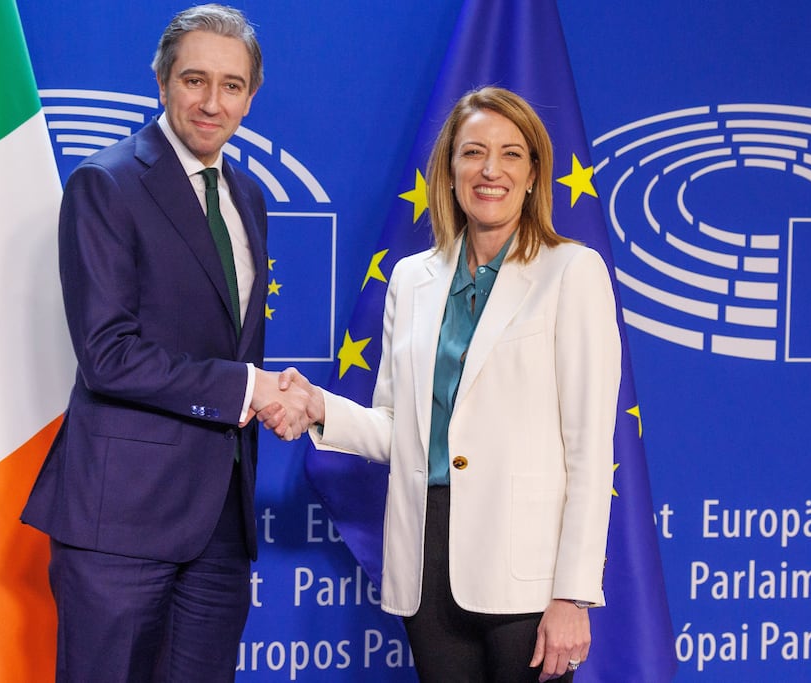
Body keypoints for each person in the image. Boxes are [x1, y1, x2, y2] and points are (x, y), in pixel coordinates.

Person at [266, 86, 621, 682]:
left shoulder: (572, 272)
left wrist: (574, 594)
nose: (490, 170)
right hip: (425, 557)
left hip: (526, 575)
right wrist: (318, 407)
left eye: (511, 154)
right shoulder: (411, 279)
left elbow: (589, 450)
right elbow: (400, 429)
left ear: (534, 173)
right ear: (449, 170)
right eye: (473, 152)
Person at [21, 5, 311, 681]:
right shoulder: (108, 183)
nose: (213, 102)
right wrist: (249, 390)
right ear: (162, 81)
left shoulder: (248, 196)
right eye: (195, 80)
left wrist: (273, 395)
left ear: (251, 96)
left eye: (232, 86)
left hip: (219, 525)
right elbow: (108, 353)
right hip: (120, 519)